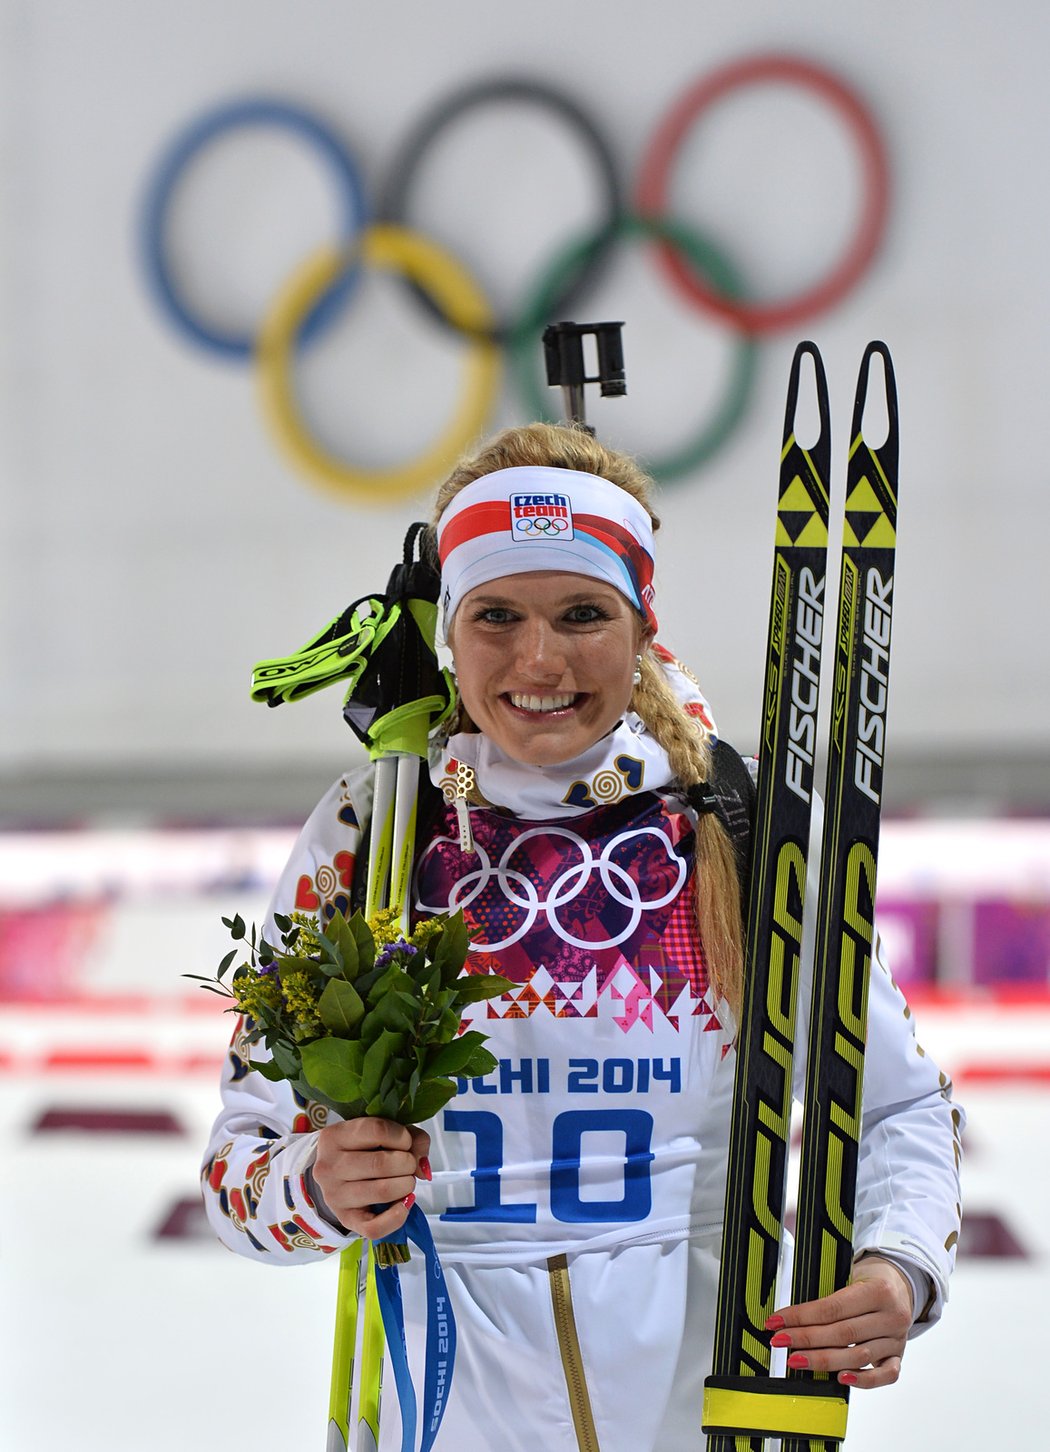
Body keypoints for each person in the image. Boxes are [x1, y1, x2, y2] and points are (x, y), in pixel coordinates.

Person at [202, 422, 963, 1451]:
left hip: (702, 1389)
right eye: (498, 615)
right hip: (444, 1388)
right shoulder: (371, 830)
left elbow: (902, 1105)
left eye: (582, 614)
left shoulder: (736, 821)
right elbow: (239, 1172)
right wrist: (317, 1186)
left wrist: (898, 1266)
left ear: (643, 625)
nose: (539, 658)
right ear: (449, 634)